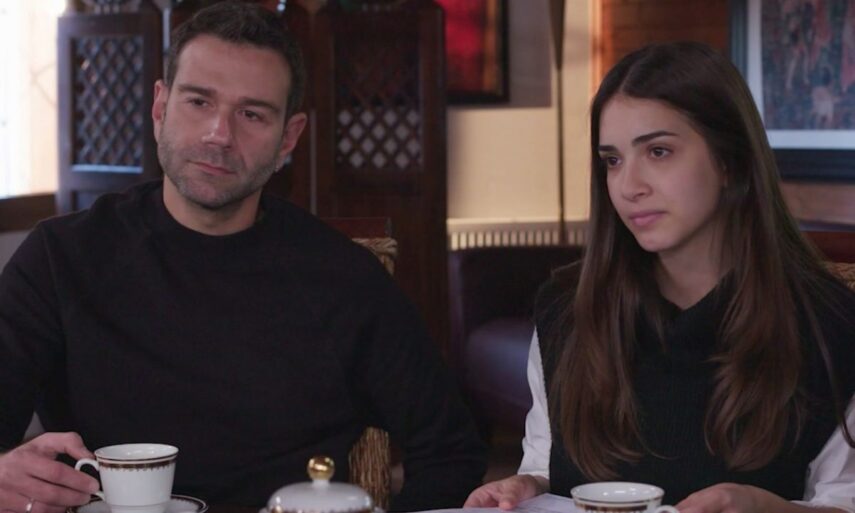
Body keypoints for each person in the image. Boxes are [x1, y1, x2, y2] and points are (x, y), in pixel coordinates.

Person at [0, 2, 485, 512]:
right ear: (160, 108)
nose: (220, 134)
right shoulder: (61, 258)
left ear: (288, 138)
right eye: (198, 102)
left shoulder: (344, 279)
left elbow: (451, 452)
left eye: (251, 114)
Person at [465, 42, 855, 513]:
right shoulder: (567, 309)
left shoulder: (830, 325)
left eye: (658, 151)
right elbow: (545, 462)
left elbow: (844, 499)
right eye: (612, 160)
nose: (629, 186)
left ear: (730, 162)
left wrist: (768, 508)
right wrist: (525, 486)